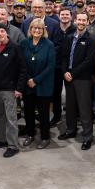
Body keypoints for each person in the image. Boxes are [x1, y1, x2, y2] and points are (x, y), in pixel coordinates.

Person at [0, 24, 27, 158]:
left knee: (11, 118)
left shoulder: (15, 48)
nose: (0, 34)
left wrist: (19, 88)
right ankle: (2, 139)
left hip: (9, 89)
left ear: (6, 33)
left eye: (2, 31)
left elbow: (23, 69)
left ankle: (13, 145)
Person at [58, 13, 95, 149]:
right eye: (79, 19)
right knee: (70, 107)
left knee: (84, 108)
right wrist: (65, 72)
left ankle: (87, 137)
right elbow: (63, 57)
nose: (81, 22)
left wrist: (72, 73)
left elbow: (89, 62)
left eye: (83, 20)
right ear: (75, 21)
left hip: (83, 79)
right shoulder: (69, 38)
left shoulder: (91, 40)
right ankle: (71, 130)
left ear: (87, 22)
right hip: (68, 77)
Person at [20, 19, 55, 149]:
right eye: (34, 28)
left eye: (40, 28)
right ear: (30, 29)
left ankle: (45, 137)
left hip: (43, 84)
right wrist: (29, 79)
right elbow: (21, 63)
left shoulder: (49, 45)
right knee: (28, 111)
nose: (37, 30)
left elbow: (50, 66)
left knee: (43, 113)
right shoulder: (24, 43)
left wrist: (36, 80)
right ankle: (30, 134)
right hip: (28, 84)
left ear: (43, 30)